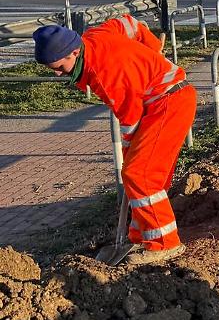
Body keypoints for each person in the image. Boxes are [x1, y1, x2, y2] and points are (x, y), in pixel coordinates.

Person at [33, 16, 196, 265]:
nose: (56, 73)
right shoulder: (95, 37)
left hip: (167, 103)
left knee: (139, 173)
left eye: (59, 66)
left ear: (74, 52)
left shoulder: (104, 73)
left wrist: (130, 151)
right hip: (165, 100)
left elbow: (131, 119)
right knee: (146, 174)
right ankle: (140, 234)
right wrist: (151, 49)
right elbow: (130, 23)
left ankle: (165, 243)